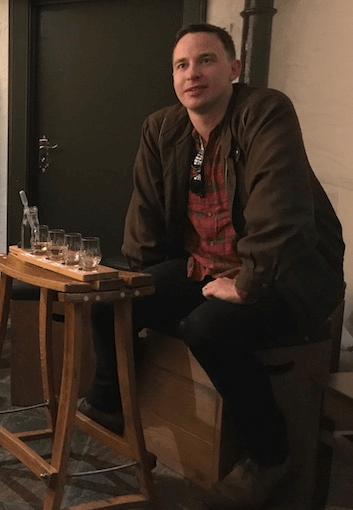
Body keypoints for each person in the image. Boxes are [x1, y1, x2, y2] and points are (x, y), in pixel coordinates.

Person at [77, 23, 344, 509]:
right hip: (203, 266)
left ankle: (270, 457)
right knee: (113, 299)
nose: (192, 73)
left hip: (286, 274)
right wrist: (143, 281)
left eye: (206, 60)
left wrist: (247, 282)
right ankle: (108, 403)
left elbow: (281, 210)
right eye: (181, 65)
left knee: (208, 328)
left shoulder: (265, 111)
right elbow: (146, 213)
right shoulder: (162, 127)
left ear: (234, 69)